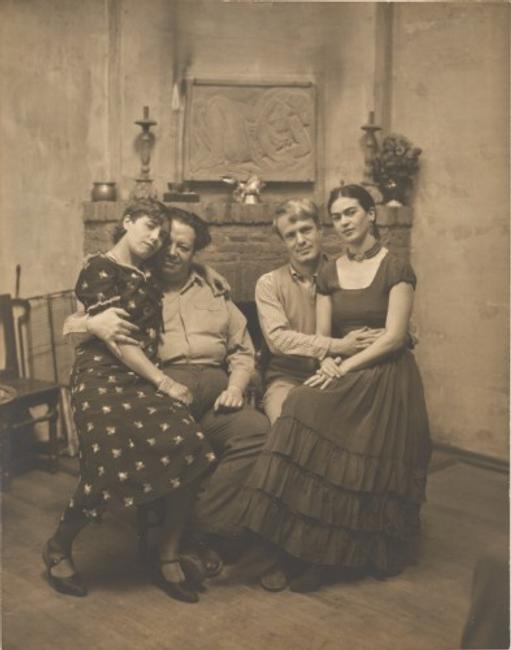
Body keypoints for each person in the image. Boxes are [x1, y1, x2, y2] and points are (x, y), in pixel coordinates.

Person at [239, 184, 432, 592]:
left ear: (371, 215)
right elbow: (324, 337)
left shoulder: (396, 267)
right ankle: (301, 547)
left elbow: (396, 337)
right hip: (341, 369)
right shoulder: (328, 272)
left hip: (386, 374)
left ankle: (355, 551)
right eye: (339, 215)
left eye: (351, 213)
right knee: (302, 409)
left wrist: (343, 366)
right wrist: (332, 362)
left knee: (345, 436)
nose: (344, 222)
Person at [63, 206, 270, 569]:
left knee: (257, 432)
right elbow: (78, 324)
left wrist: (237, 386)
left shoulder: (214, 289)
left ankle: (203, 529)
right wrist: (89, 323)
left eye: (185, 247)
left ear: (195, 253)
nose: (173, 252)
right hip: (166, 387)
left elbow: (242, 350)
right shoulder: (137, 282)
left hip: (218, 392)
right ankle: (187, 540)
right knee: (182, 443)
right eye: (168, 243)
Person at [43, 199, 216, 604]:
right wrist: (164, 382)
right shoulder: (98, 269)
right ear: (127, 222)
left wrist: (209, 272)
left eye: (163, 233)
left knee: (190, 444)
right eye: (150, 226)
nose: (156, 238)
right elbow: (116, 339)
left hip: (138, 376)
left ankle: (167, 552)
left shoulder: (149, 271)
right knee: (107, 463)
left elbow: (183, 267)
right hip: (102, 375)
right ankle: (58, 546)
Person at [255, 198, 382, 424]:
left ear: (320, 230)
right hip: (287, 378)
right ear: (283, 241)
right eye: (291, 235)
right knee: (286, 426)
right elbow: (278, 340)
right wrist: (339, 345)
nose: (300, 240)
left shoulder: (348, 272)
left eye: (306, 230)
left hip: (341, 372)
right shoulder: (269, 284)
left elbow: (391, 325)